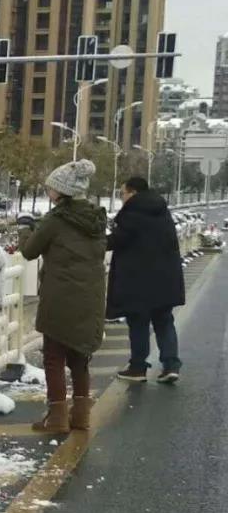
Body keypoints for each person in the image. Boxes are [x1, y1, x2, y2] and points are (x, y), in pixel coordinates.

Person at [19, 159, 107, 433]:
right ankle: (81, 416)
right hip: (90, 296)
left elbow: (30, 251)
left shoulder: (56, 220)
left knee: (54, 357)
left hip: (60, 296)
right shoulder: (96, 219)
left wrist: (24, 228)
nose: (48, 192)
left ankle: (56, 417)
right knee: (80, 357)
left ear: (60, 192)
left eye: (50, 189)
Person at [108, 176, 185, 384]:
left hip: (138, 280)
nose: (122, 198)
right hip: (165, 278)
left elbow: (117, 240)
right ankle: (171, 365)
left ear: (132, 193)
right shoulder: (161, 210)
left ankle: (138, 368)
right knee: (164, 320)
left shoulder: (132, 213)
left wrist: (98, 240)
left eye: (122, 193)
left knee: (139, 322)